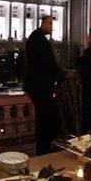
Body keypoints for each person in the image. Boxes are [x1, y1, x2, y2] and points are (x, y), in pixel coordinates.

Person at [23, 15, 65, 155]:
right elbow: (47, 62)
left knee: (45, 116)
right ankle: (44, 149)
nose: (52, 27)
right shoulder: (39, 39)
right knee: (47, 116)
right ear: (42, 24)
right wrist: (61, 74)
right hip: (39, 86)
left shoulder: (36, 38)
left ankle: (45, 147)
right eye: (49, 23)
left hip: (37, 85)